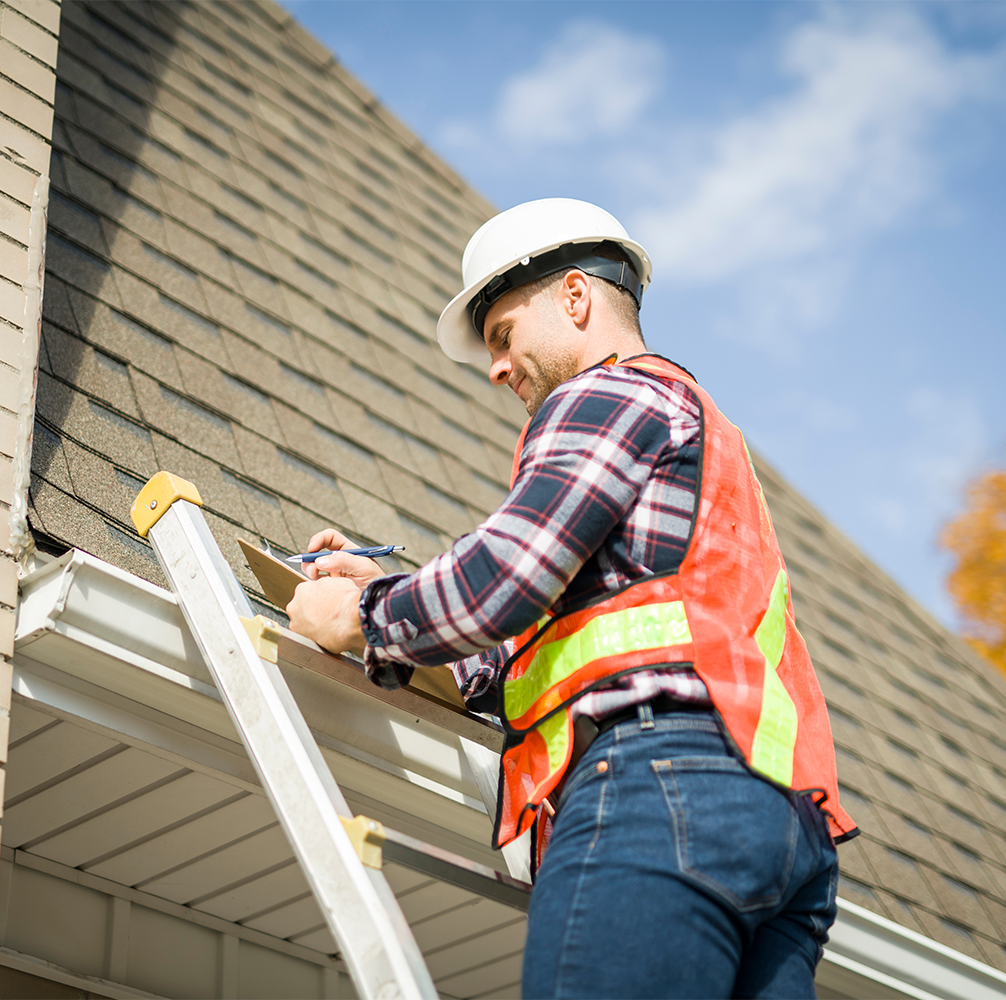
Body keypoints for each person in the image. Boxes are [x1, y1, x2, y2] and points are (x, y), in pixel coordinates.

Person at [287, 198, 857, 999]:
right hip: (784, 830)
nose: (496, 367)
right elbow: (539, 642)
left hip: (660, 784)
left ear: (577, 299)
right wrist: (391, 586)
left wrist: (359, 618)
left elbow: (507, 578)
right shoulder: (700, 433)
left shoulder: (605, 395)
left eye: (502, 336)